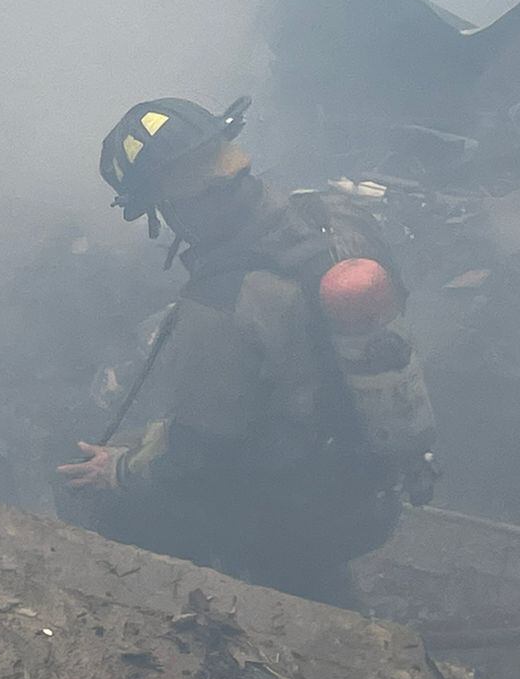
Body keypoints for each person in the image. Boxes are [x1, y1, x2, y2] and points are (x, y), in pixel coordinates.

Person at [57, 96, 436, 605]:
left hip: (309, 516)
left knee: (97, 497)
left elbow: (198, 454)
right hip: (378, 482)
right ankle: (318, 584)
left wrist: (118, 471)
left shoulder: (221, 306)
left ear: (172, 205)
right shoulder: (336, 213)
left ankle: (248, 599)